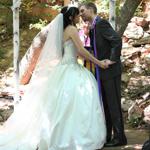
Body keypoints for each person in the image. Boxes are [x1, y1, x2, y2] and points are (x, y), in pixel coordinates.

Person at [0, 6, 107, 150]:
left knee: (59, 106)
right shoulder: (72, 29)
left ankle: (56, 135)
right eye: (77, 15)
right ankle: (73, 137)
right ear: (71, 17)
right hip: (71, 67)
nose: (79, 17)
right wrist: (99, 62)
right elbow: (81, 51)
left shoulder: (62, 31)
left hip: (63, 67)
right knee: (78, 100)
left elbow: (73, 50)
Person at [79, 2, 127, 147]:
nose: (81, 14)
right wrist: (87, 35)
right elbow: (96, 47)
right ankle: (108, 136)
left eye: (82, 11)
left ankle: (120, 137)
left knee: (113, 104)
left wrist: (112, 60)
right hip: (102, 72)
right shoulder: (93, 27)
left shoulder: (101, 24)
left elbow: (116, 40)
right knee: (106, 105)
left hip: (110, 72)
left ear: (91, 9)